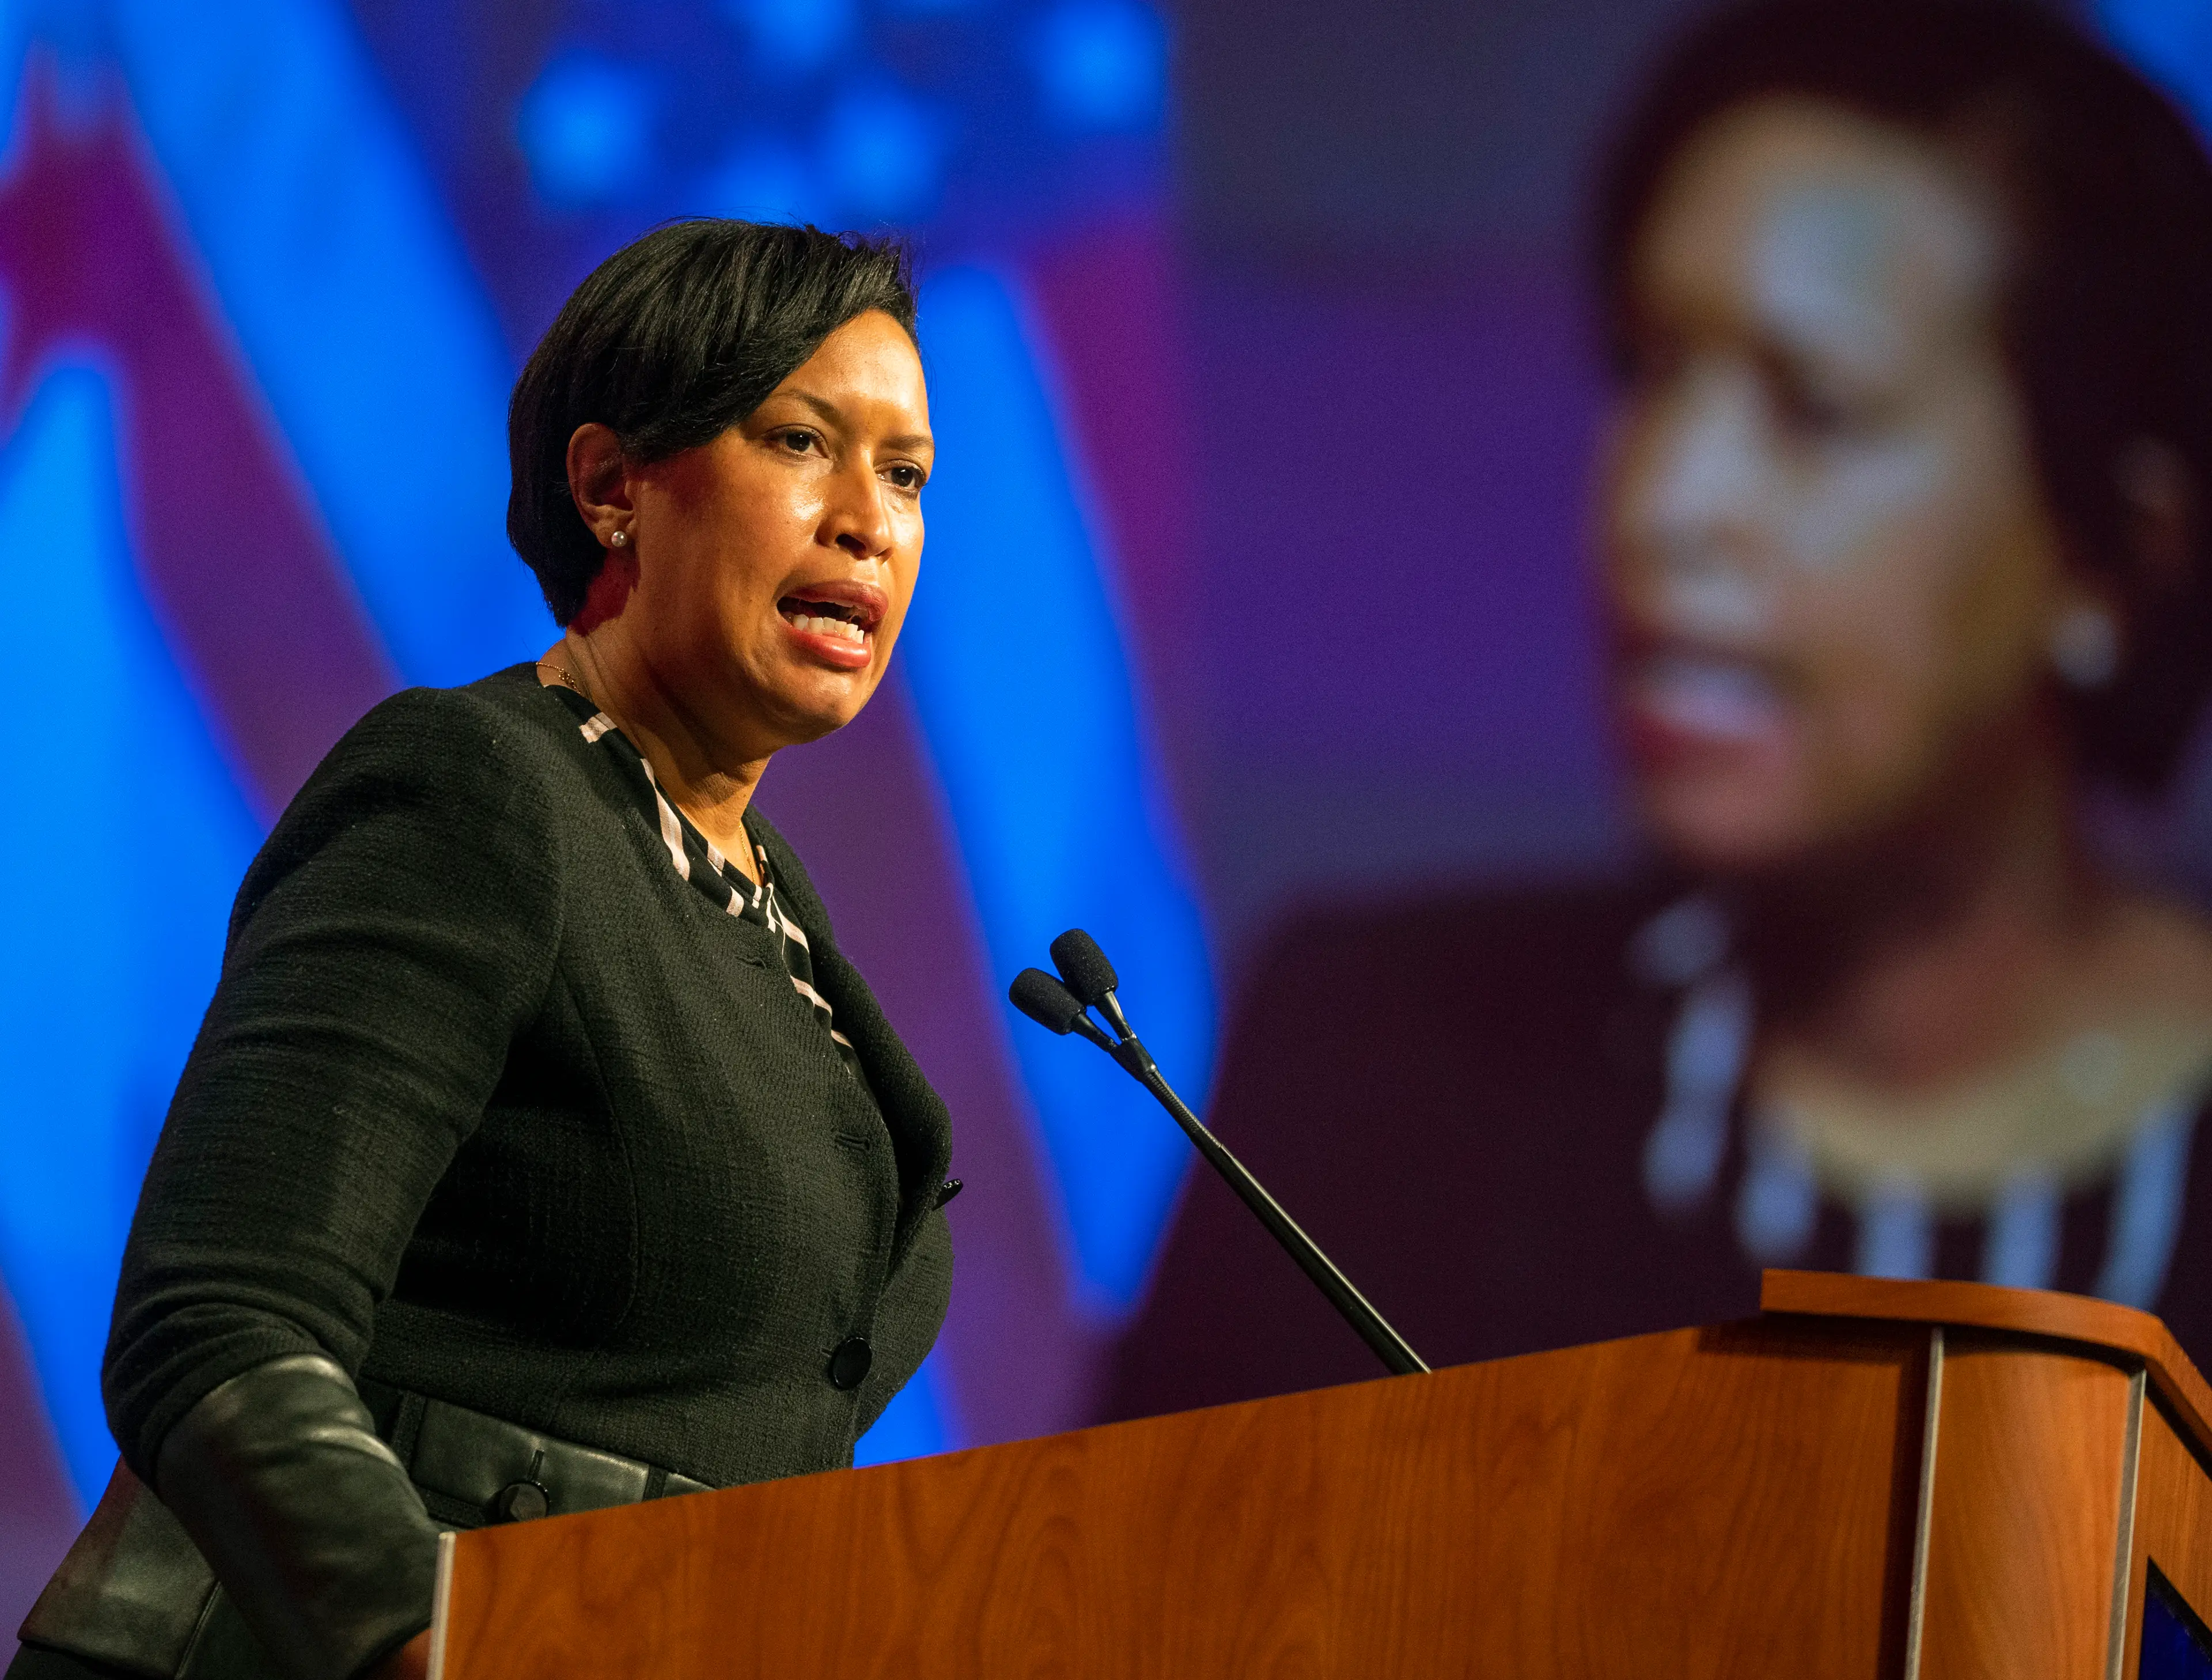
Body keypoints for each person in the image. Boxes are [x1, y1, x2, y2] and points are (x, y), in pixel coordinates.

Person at [1111, 0, 2212, 1421]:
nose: (1663, 503)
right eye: (1649, 371)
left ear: (2111, 557)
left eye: (1812, 409)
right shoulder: (1377, 1073)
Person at [11, 221, 957, 1680]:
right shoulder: (479, 793)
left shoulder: (771, 915)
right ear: (612, 487)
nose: (869, 522)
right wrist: (437, 1646)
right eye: (800, 443)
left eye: (905, 476)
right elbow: (219, 1325)